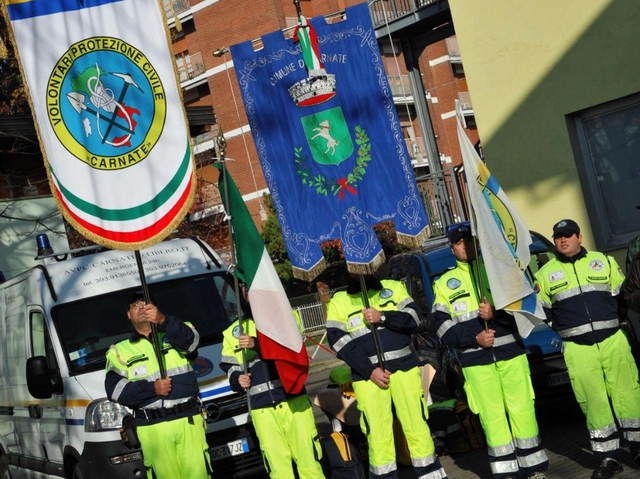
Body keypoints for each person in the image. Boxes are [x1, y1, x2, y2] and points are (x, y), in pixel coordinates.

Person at [432, 224, 548, 479]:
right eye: (460, 242)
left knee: (523, 411)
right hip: (475, 361)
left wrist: (495, 314)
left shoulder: (498, 272)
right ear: (452, 248)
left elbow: (522, 312)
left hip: (511, 355)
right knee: (492, 418)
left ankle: (534, 469)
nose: (466, 245)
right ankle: (506, 472)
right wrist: (474, 337)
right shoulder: (443, 284)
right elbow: (441, 327)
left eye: (469, 240)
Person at [534, 219, 640, 478]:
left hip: (613, 340)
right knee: (593, 402)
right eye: (558, 236)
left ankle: (637, 448)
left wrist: (614, 323)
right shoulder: (545, 274)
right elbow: (542, 312)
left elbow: (622, 295)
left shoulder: (603, 261)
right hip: (577, 348)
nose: (563, 240)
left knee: (628, 395)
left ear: (579, 237)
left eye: (568, 235)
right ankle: (608, 458)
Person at [325, 273, 448, 479]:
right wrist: (369, 370)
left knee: (417, 427)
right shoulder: (338, 301)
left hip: (405, 370)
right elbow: (338, 342)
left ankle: (431, 475)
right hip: (368, 378)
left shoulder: (394, 287)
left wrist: (383, 316)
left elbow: (415, 319)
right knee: (378, 436)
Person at [104, 292, 211, 479]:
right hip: (152, 428)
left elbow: (192, 344)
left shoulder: (176, 330)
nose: (141, 307)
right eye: (134, 304)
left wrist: (163, 321)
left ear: (155, 308)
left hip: (188, 421)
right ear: (129, 314)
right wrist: (151, 388)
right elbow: (115, 391)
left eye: (145, 302)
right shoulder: (119, 351)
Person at [220, 314, 326, 479]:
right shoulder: (231, 331)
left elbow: (291, 346)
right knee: (279, 470)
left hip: (293, 401)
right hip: (262, 410)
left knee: (309, 465)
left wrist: (256, 343)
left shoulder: (283, 312)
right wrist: (238, 379)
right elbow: (231, 366)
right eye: (245, 288)